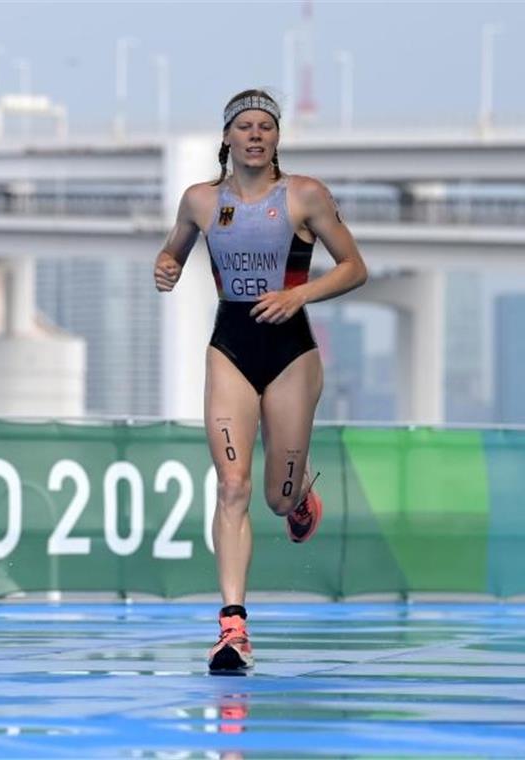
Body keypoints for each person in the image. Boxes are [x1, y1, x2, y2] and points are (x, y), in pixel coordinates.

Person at [153, 89, 368, 673]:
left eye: (264, 128)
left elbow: (354, 267)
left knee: (275, 498)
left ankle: (301, 498)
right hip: (231, 347)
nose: (254, 135)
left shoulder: (304, 195)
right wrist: (166, 266)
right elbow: (173, 251)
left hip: (292, 351)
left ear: (276, 138)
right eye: (243, 127)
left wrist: (299, 293)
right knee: (231, 487)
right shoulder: (200, 200)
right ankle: (232, 629)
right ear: (226, 138)